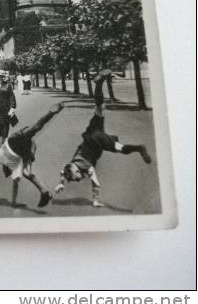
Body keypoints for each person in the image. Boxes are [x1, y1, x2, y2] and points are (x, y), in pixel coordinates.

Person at [53, 70, 153, 207]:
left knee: (121, 148)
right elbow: (63, 171)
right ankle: (99, 83)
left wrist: (95, 200)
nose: (78, 180)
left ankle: (139, 148)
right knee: (100, 107)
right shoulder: (69, 167)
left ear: (76, 171)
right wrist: (60, 182)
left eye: (76, 179)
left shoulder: (88, 168)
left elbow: (96, 185)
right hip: (92, 132)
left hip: (97, 140)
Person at [0, 103, 63, 208]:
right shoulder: (13, 166)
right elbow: (15, 184)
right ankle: (45, 193)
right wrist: (13, 202)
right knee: (27, 173)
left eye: (6, 171)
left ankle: (45, 193)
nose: (6, 173)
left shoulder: (0, 153)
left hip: (19, 143)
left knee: (35, 129)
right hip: (23, 149)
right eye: (7, 172)